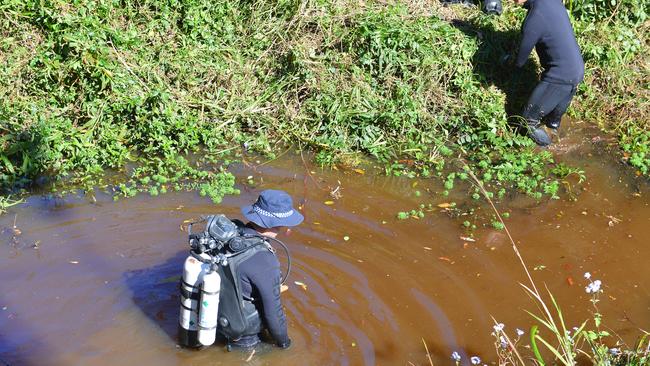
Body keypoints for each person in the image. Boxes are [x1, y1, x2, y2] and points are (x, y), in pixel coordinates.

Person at [227, 189, 303, 350]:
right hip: (243, 337)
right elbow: (273, 313)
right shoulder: (266, 262)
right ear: (280, 224)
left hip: (212, 319)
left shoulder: (231, 234)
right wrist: (285, 344)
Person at [510, 0, 585, 146]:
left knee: (528, 123)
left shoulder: (534, 19)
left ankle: (549, 156)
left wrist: (507, 60)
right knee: (551, 123)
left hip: (559, 77)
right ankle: (556, 138)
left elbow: (519, 62)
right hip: (576, 71)